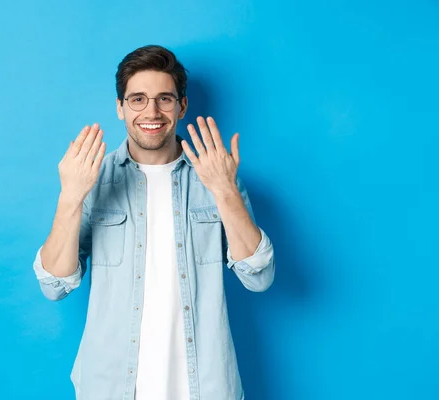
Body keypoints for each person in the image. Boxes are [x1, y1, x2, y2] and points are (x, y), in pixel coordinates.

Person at [32, 45, 275, 400]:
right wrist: (70, 197)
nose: (152, 111)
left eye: (164, 99)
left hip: (204, 388)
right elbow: (54, 286)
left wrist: (224, 191)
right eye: (137, 99)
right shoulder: (92, 180)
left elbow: (259, 277)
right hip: (110, 388)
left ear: (182, 106)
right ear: (120, 107)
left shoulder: (218, 177)